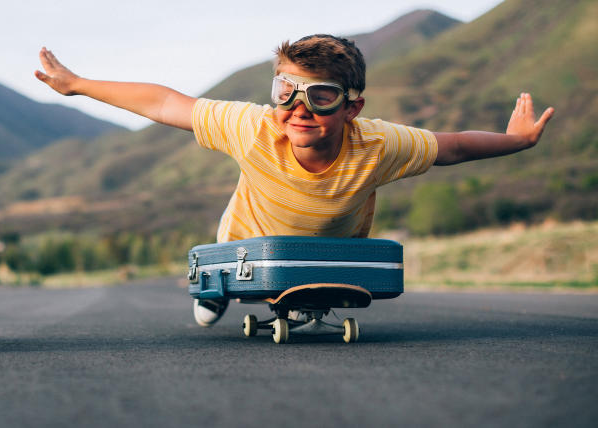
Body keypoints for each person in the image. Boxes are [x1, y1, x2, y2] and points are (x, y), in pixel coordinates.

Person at [34, 35, 554, 325]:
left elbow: (454, 145)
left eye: (320, 96)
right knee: (227, 273)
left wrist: (516, 141)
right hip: (247, 241)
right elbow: (169, 102)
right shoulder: (251, 126)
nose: (298, 109)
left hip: (331, 255)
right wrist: (78, 85)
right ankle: (216, 289)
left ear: (353, 107)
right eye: (286, 90)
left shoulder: (379, 145)